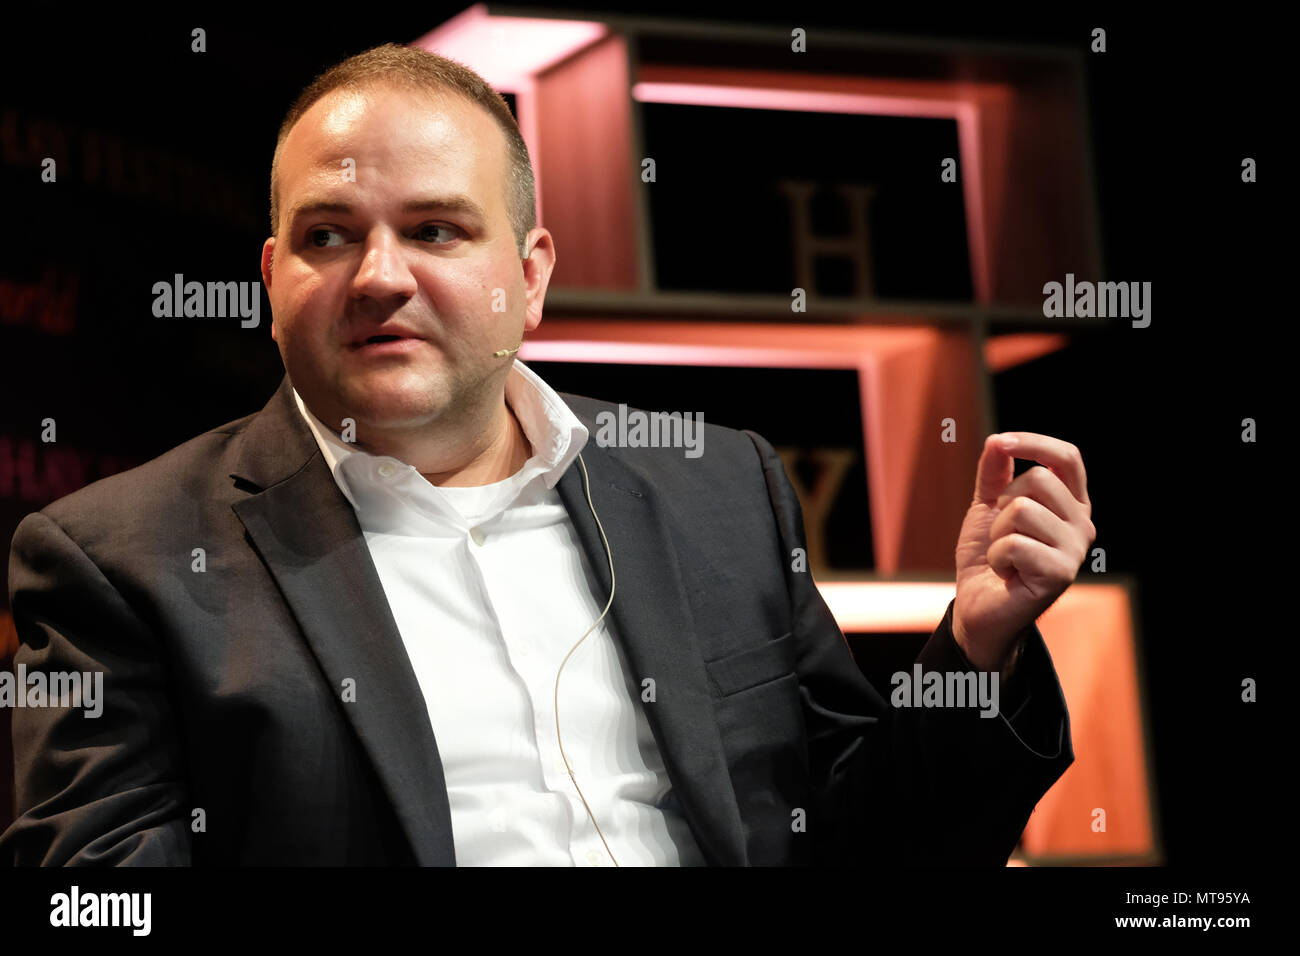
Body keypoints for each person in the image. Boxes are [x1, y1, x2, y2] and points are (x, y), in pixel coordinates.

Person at [0, 44, 1093, 866]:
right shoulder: (120, 558)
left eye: (436, 229)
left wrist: (975, 647)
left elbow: (874, 843)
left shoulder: (721, 488)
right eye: (330, 234)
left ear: (530, 275)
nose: (379, 275)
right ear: (273, 275)